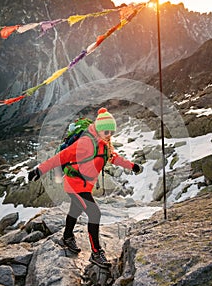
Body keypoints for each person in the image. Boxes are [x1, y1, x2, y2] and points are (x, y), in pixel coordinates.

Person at [28, 107, 142, 268]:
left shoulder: (104, 143)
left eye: (112, 131)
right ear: (99, 129)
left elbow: (112, 157)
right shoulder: (85, 143)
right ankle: (96, 253)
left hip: (84, 186)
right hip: (74, 185)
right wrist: (39, 170)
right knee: (94, 213)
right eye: (106, 130)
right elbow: (61, 157)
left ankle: (67, 237)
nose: (109, 134)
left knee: (76, 210)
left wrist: (131, 166)